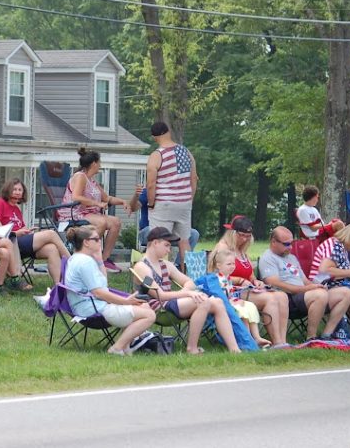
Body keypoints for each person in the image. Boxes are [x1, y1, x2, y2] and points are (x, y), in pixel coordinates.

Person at [132, 226, 241, 354]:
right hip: (155, 308)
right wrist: (187, 293)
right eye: (166, 245)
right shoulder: (142, 267)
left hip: (170, 303)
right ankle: (192, 348)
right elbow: (159, 295)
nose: (169, 250)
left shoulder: (166, 265)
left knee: (218, 302)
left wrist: (186, 291)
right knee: (203, 301)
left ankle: (235, 349)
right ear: (155, 243)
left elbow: (189, 282)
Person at [64, 225, 156, 356]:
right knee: (150, 315)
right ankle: (117, 348)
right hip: (92, 309)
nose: (100, 241)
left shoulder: (77, 258)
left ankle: (127, 346)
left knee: (144, 305)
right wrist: (125, 301)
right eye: (96, 239)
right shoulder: (84, 262)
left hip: (90, 305)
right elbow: (99, 293)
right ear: (86, 242)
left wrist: (99, 259)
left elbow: (103, 285)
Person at [259, 227, 350, 341]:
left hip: (304, 295)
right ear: (273, 242)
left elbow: (305, 281)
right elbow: (274, 283)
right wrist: (308, 289)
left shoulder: (291, 258)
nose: (290, 247)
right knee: (319, 295)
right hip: (288, 299)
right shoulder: (267, 258)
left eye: (291, 243)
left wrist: (317, 285)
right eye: (286, 244)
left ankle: (327, 335)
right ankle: (311, 337)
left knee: (345, 293)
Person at [212, 215, 288, 347]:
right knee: (270, 299)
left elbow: (249, 274)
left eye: (247, 236)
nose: (244, 239)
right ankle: (276, 342)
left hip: (247, 288)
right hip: (230, 291)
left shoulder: (242, 250)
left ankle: (283, 340)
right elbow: (215, 276)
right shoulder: (223, 248)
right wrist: (240, 280)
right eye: (241, 235)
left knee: (282, 296)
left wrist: (256, 281)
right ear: (232, 233)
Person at [58, 148, 127, 271]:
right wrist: (97, 203)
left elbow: (107, 198)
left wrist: (122, 201)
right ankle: (84, 257)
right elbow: (76, 197)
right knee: (102, 222)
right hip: (74, 213)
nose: (100, 165)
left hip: (89, 213)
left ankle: (104, 260)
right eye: (99, 162)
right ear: (94, 163)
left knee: (116, 222)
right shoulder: (80, 176)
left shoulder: (92, 181)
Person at [0, 178, 70, 283]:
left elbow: (21, 227)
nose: (18, 192)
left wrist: (27, 231)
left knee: (52, 248)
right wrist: (16, 233)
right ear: (8, 190)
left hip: (22, 243)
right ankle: (72, 262)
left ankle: (58, 286)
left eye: (20, 190)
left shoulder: (16, 209)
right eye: (15, 189)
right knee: (51, 234)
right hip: (10, 243)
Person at [145, 121, 198, 258]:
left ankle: (159, 274)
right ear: (168, 132)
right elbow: (193, 179)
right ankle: (186, 275)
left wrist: (151, 204)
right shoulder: (186, 152)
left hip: (164, 203)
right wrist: (189, 199)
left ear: (154, 137)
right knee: (184, 241)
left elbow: (151, 184)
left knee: (159, 241)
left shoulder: (157, 155)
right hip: (184, 204)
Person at [207, 249, 272, 348]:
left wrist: (236, 299)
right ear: (219, 266)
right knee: (242, 310)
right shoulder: (216, 279)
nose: (232, 266)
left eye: (233, 264)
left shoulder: (227, 278)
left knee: (250, 305)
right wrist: (233, 301)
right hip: (221, 305)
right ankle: (246, 338)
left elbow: (230, 292)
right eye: (229, 264)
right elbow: (219, 295)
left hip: (230, 302)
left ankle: (256, 337)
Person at [128, 184, 200, 267]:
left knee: (194, 234)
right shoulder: (149, 190)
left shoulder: (177, 194)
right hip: (149, 229)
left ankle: (178, 266)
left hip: (170, 230)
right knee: (153, 230)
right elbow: (133, 208)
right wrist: (136, 196)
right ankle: (153, 265)